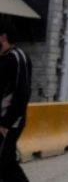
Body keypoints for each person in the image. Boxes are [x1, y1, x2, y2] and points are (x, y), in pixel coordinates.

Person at [0, 20, 32, 181]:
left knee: (3, 162)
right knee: (8, 164)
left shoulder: (18, 58)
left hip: (9, 122)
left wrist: (6, 122)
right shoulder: (3, 57)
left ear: (3, 37)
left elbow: (22, 93)